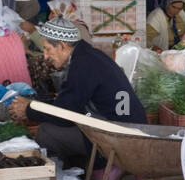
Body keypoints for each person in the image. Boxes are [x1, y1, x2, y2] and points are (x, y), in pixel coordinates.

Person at [8, 18, 146, 164]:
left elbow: (64, 116)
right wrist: (34, 105)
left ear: (62, 45)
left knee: (46, 132)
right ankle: (81, 170)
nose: (45, 56)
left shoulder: (83, 64)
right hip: (121, 127)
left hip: (120, 136)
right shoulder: (89, 56)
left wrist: (28, 110)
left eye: (47, 49)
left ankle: (77, 173)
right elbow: (70, 104)